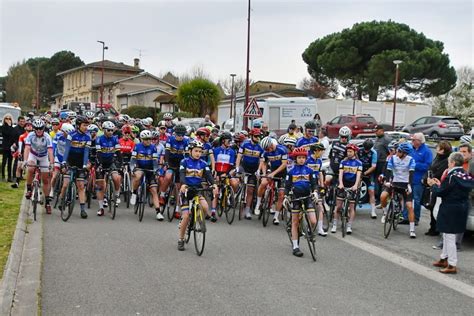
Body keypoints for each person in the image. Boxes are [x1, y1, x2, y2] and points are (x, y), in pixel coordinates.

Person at [429, 152, 473, 274]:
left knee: (449, 236)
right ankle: (444, 257)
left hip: (450, 207)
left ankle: (452, 264)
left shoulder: (451, 175)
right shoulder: (464, 174)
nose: (448, 163)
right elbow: (451, 189)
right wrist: (440, 185)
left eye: (449, 161)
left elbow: (441, 192)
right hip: (462, 207)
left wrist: (433, 185)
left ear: (453, 162)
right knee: (447, 234)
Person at [177, 140, 217, 251]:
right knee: (185, 216)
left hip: (197, 190)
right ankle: (181, 239)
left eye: (200, 151)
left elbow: (208, 175)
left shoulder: (203, 163)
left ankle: (197, 221)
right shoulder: (184, 161)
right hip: (186, 190)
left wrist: (214, 184)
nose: (198, 153)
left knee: (205, 206)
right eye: (196, 151)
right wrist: (184, 184)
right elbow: (181, 175)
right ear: (190, 151)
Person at [285, 147, 318, 257]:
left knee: (313, 221)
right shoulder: (291, 172)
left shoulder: (310, 171)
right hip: (295, 198)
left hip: (307, 197)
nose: (301, 160)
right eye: (299, 157)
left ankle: (309, 232)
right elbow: (287, 186)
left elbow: (314, 184)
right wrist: (286, 196)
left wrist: (315, 192)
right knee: (295, 222)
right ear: (295, 158)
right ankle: (295, 246)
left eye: (303, 157)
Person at [379, 142, 417, 238]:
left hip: (405, 184)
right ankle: (385, 212)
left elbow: (411, 174)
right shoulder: (393, 158)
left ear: (405, 153)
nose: (397, 152)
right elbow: (388, 170)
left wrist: (409, 185)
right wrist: (387, 181)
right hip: (394, 182)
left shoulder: (411, 160)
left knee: (409, 206)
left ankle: (412, 229)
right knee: (383, 196)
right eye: (397, 150)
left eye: (399, 151)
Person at [61, 115, 91, 219]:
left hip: (80, 161)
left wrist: (84, 164)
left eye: (87, 125)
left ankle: (83, 210)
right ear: (78, 126)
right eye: (84, 125)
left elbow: (86, 152)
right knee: (65, 184)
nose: (86, 127)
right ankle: (61, 200)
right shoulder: (71, 135)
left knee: (81, 185)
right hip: (70, 160)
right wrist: (64, 161)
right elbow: (67, 148)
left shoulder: (88, 136)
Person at [129, 130, 163, 220]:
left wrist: (156, 170)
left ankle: (158, 212)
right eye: (146, 139)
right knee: (138, 176)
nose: (148, 141)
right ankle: (134, 193)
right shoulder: (137, 147)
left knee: (154, 190)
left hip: (150, 169)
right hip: (140, 167)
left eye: (149, 139)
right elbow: (132, 160)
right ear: (141, 139)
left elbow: (155, 161)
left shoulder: (153, 148)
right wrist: (132, 169)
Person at [254, 136, 288, 225]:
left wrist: (274, 173)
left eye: (268, 149)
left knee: (281, 195)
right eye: (266, 150)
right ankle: (258, 204)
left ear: (272, 145)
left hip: (282, 172)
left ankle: (276, 216)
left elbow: (284, 164)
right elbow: (264, 162)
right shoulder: (266, 151)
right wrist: (264, 173)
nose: (268, 151)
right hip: (272, 170)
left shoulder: (282, 150)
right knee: (263, 182)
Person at [23, 119, 54, 214]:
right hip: (33, 154)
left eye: (40, 128)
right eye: (36, 128)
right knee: (31, 168)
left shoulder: (47, 137)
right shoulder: (30, 135)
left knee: (45, 180)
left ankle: (47, 203)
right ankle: (29, 189)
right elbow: (27, 148)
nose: (39, 130)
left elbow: (50, 151)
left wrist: (51, 163)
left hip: (44, 156)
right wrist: (25, 161)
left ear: (43, 128)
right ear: (34, 129)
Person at [331, 143, 362, 234]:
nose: (348, 153)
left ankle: (349, 226)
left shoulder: (358, 163)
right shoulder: (343, 162)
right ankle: (335, 224)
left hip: (353, 184)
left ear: (354, 152)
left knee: (351, 207)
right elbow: (340, 174)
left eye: (350, 151)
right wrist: (340, 183)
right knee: (338, 207)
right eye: (347, 151)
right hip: (343, 184)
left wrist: (356, 185)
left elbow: (358, 175)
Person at [401, 133, 432, 224]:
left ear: (420, 141)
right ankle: (406, 217)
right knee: (407, 198)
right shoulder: (411, 149)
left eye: (414, 140)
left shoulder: (427, 151)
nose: (412, 141)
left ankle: (416, 218)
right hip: (408, 178)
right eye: (412, 140)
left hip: (419, 179)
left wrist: (414, 164)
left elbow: (428, 166)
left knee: (416, 199)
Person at [235, 128, 264, 219]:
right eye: (256, 136)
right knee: (238, 180)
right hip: (244, 166)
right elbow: (239, 156)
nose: (257, 138)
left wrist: (259, 170)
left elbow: (262, 160)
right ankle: (238, 192)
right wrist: (237, 167)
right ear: (251, 136)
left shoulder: (260, 146)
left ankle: (247, 211)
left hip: (253, 169)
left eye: (259, 136)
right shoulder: (245, 144)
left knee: (250, 190)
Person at [95, 121, 123, 216]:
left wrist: (121, 164)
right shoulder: (99, 139)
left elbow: (118, 153)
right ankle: (101, 207)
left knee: (116, 178)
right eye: (108, 130)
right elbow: (98, 154)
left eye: (112, 130)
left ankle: (116, 194)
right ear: (103, 130)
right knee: (101, 185)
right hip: (101, 162)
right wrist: (100, 165)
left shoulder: (115, 139)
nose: (111, 132)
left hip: (111, 162)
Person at [424, 141, 451, 236]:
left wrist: (432, 179)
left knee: (436, 207)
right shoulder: (437, 158)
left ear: (443, 150)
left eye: (438, 147)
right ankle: (433, 227)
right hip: (432, 184)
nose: (436, 149)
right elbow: (430, 168)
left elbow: (440, 172)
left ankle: (436, 228)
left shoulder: (445, 160)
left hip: (438, 184)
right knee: (432, 207)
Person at [307, 143, 327, 236]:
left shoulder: (319, 160)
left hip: (315, 185)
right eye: (321, 150)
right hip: (306, 184)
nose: (322, 152)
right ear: (315, 151)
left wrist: (322, 186)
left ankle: (320, 228)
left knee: (320, 206)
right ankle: (306, 225)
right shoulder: (307, 160)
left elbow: (320, 173)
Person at [358, 139, 378, 218]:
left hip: (369, 173)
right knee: (354, 188)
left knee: (371, 191)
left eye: (368, 150)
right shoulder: (359, 150)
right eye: (365, 149)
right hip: (359, 171)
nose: (366, 151)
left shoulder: (374, 153)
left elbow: (373, 166)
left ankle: (373, 211)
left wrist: (365, 173)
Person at [373, 125, 391, 202]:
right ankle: (377, 197)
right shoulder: (377, 138)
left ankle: (381, 198)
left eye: (377, 131)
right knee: (376, 180)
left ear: (381, 130)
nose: (375, 132)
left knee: (382, 180)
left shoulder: (386, 139)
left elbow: (391, 151)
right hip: (376, 161)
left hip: (383, 162)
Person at [1, 114, 15, 181]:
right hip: (5, 146)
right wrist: (9, 126)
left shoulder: (12, 128)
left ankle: (9, 177)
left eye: (9, 119)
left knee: (10, 162)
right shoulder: (2, 127)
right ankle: (3, 176)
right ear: (4, 119)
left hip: (11, 147)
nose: (8, 120)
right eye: (6, 118)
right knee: (4, 161)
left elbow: (13, 136)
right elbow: (7, 134)